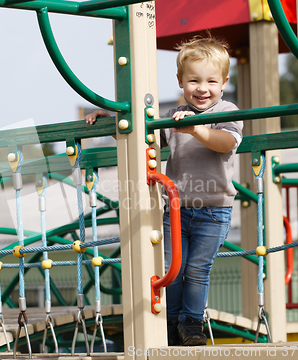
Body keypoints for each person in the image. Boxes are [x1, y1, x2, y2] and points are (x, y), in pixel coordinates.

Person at [85, 36, 243, 346]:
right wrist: (115, 121)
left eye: (211, 81)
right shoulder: (175, 116)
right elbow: (148, 140)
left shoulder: (227, 110)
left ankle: (192, 324)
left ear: (224, 83)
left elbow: (226, 143)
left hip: (214, 209)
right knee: (172, 268)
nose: (202, 88)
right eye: (194, 80)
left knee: (198, 269)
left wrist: (196, 128)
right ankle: (172, 324)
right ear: (180, 82)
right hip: (177, 208)